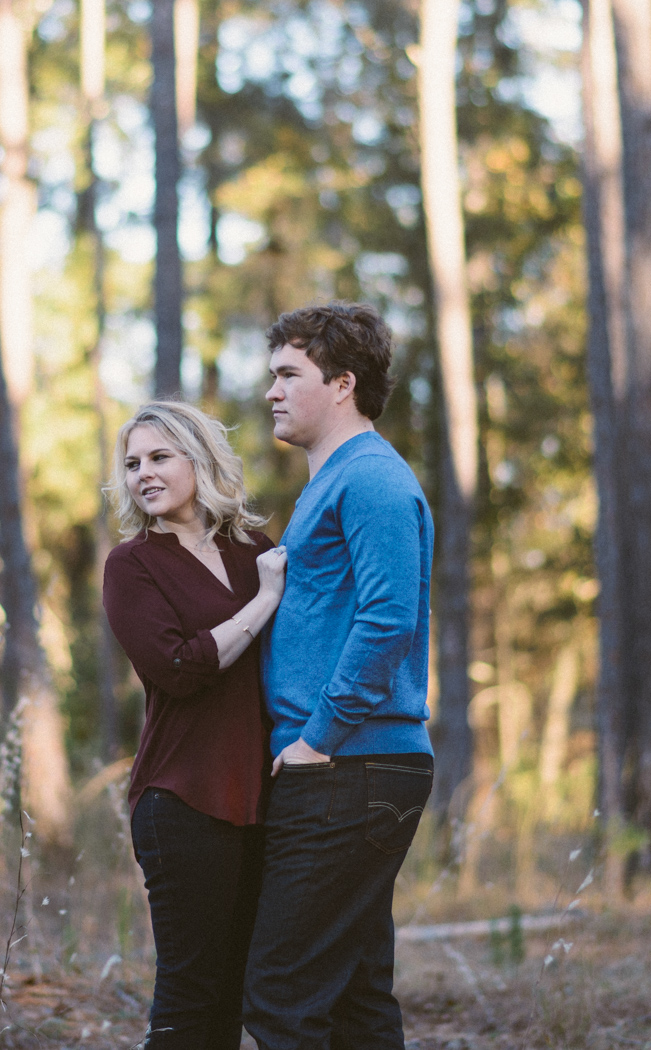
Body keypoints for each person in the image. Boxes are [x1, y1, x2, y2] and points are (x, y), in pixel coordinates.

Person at [244, 302, 434, 1050]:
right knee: (355, 996)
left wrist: (317, 738)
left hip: (349, 765)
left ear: (343, 384)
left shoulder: (374, 481)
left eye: (289, 374)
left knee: (282, 991)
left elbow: (389, 619)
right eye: (272, 375)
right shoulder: (334, 481)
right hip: (347, 766)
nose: (272, 392)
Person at [101, 400, 287, 1049]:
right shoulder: (132, 566)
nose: (142, 475)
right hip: (180, 799)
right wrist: (264, 602)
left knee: (235, 997)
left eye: (158, 457)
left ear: (200, 460)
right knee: (188, 997)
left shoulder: (254, 552)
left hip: (258, 802)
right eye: (131, 464)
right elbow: (179, 670)